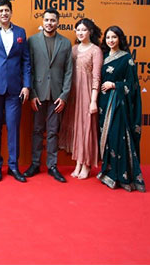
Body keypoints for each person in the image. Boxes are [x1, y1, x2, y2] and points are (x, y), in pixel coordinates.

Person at [0, 0, 31, 183]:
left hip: (15, 89)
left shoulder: (20, 32)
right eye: (1, 10)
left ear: (11, 12)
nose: (4, 13)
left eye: (7, 10)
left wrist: (26, 85)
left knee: (13, 128)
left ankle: (13, 166)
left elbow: (26, 61)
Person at [24, 8, 73, 183]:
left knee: (53, 131)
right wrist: (32, 94)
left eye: (53, 20)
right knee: (37, 130)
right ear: (42, 21)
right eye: (46, 20)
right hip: (38, 94)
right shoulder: (32, 41)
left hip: (57, 95)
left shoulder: (65, 43)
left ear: (58, 22)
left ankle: (52, 166)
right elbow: (28, 69)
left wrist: (64, 96)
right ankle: (35, 163)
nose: (49, 23)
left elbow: (69, 71)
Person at [97, 26, 145, 192]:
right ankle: (108, 172)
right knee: (108, 139)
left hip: (118, 104)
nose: (111, 40)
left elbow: (133, 85)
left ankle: (122, 176)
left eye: (114, 37)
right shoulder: (102, 57)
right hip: (103, 104)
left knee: (118, 137)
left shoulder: (126, 59)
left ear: (120, 39)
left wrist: (114, 85)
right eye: (108, 37)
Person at [59, 18, 103, 179]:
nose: (80, 32)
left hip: (87, 94)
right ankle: (78, 162)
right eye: (78, 30)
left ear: (90, 31)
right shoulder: (74, 49)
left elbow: (97, 77)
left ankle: (86, 164)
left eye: (84, 29)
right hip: (73, 94)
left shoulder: (96, 51)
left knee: (86, 129)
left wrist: (93, 100)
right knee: (76, 128)